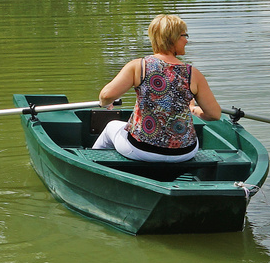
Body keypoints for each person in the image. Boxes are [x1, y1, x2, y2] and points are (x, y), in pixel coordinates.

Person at [92, 13, 221, 162]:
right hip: (184, 153)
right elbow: (214, 114)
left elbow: (106, 95)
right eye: (184, 35)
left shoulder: (139, 66)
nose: (186, 40)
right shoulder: (193, 74)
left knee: (111, 126)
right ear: (172, 38)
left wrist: (105, 104)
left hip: (142, 150)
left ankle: (94, 168)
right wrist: (193, 109)